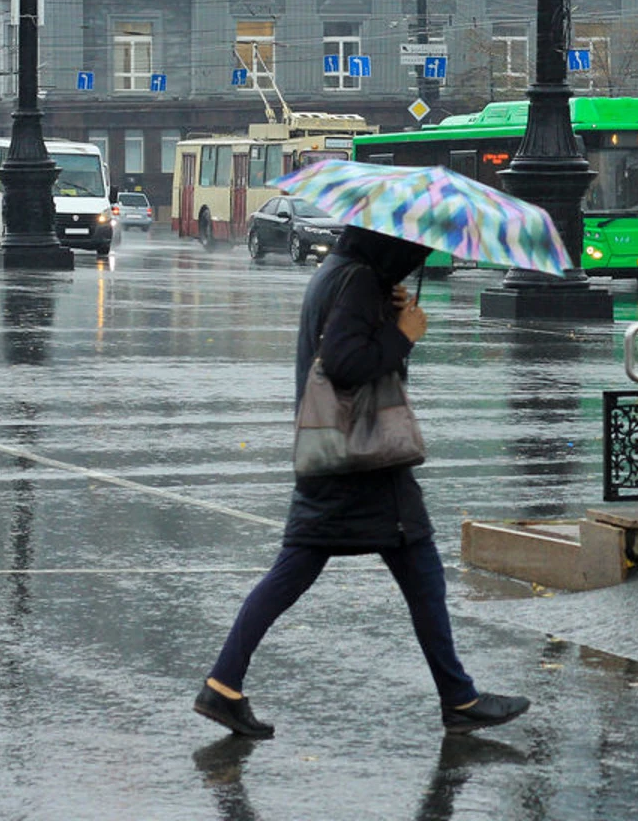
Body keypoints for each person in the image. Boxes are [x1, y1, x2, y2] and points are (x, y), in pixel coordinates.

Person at [195, 226, 530, 739]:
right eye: (412, 248)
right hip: (363, 461)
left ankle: (223, 685)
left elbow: (353, 357)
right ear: (388, 244)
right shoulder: (357, 282)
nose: (417, 255)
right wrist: (404, 333)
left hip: (339, 455)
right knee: (410, 572)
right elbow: (349, 365)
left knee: (370, 573)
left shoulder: (339, 273)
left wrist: (391, 317)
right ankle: (458, 700)